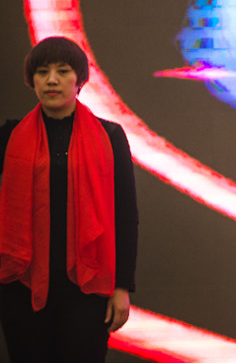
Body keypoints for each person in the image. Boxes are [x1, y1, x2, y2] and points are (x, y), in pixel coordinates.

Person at [0, 36, 138, 362]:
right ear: (31, 80)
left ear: (79, 80)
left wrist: (122, 287)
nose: (51, 80)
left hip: (87, 286)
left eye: (62, 71)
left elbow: (126, 215)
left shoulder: (110, 136)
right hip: (20, 285)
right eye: (42, 72)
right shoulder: (9, 136)